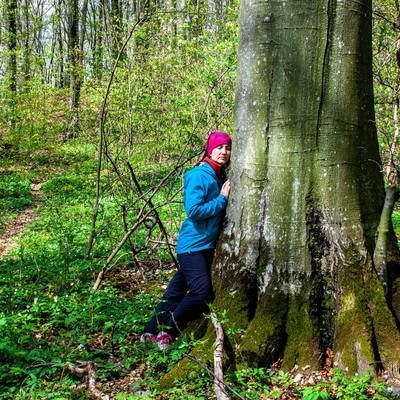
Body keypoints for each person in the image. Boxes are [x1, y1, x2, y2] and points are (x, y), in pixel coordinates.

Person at [140, 131, 232, 349]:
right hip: (193, 246)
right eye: (219, 147)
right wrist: (222, 199)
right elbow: (194, 210)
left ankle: (149, 331)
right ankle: (167, 332)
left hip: (206, 245)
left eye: (227, 148)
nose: (224, 152)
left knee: (175, 292)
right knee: (201, 292)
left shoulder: (219, 175)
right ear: (210, 149)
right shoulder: (198, 175)